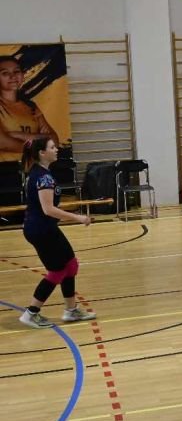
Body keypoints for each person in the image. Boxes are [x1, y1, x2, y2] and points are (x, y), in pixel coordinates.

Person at [18, 137, 95, 328]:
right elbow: (49, 209)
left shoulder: (42, 173)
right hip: (40, 230)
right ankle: (31, 313)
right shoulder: (43, 177)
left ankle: (71, 310)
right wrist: (78, 218)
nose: (56, 149)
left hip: (46, 227)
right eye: (52, 147)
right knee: (57, 270)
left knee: (71, 264)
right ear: (42, 153)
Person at [0, 55, 60, 160]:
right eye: (5, 73)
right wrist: (41, 140)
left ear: (23, 75)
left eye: (16, 71)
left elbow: (54, 141)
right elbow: (3, 143)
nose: (13, 76)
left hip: (33, 166)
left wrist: (19, 135)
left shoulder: (31, 107)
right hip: (5, 167)